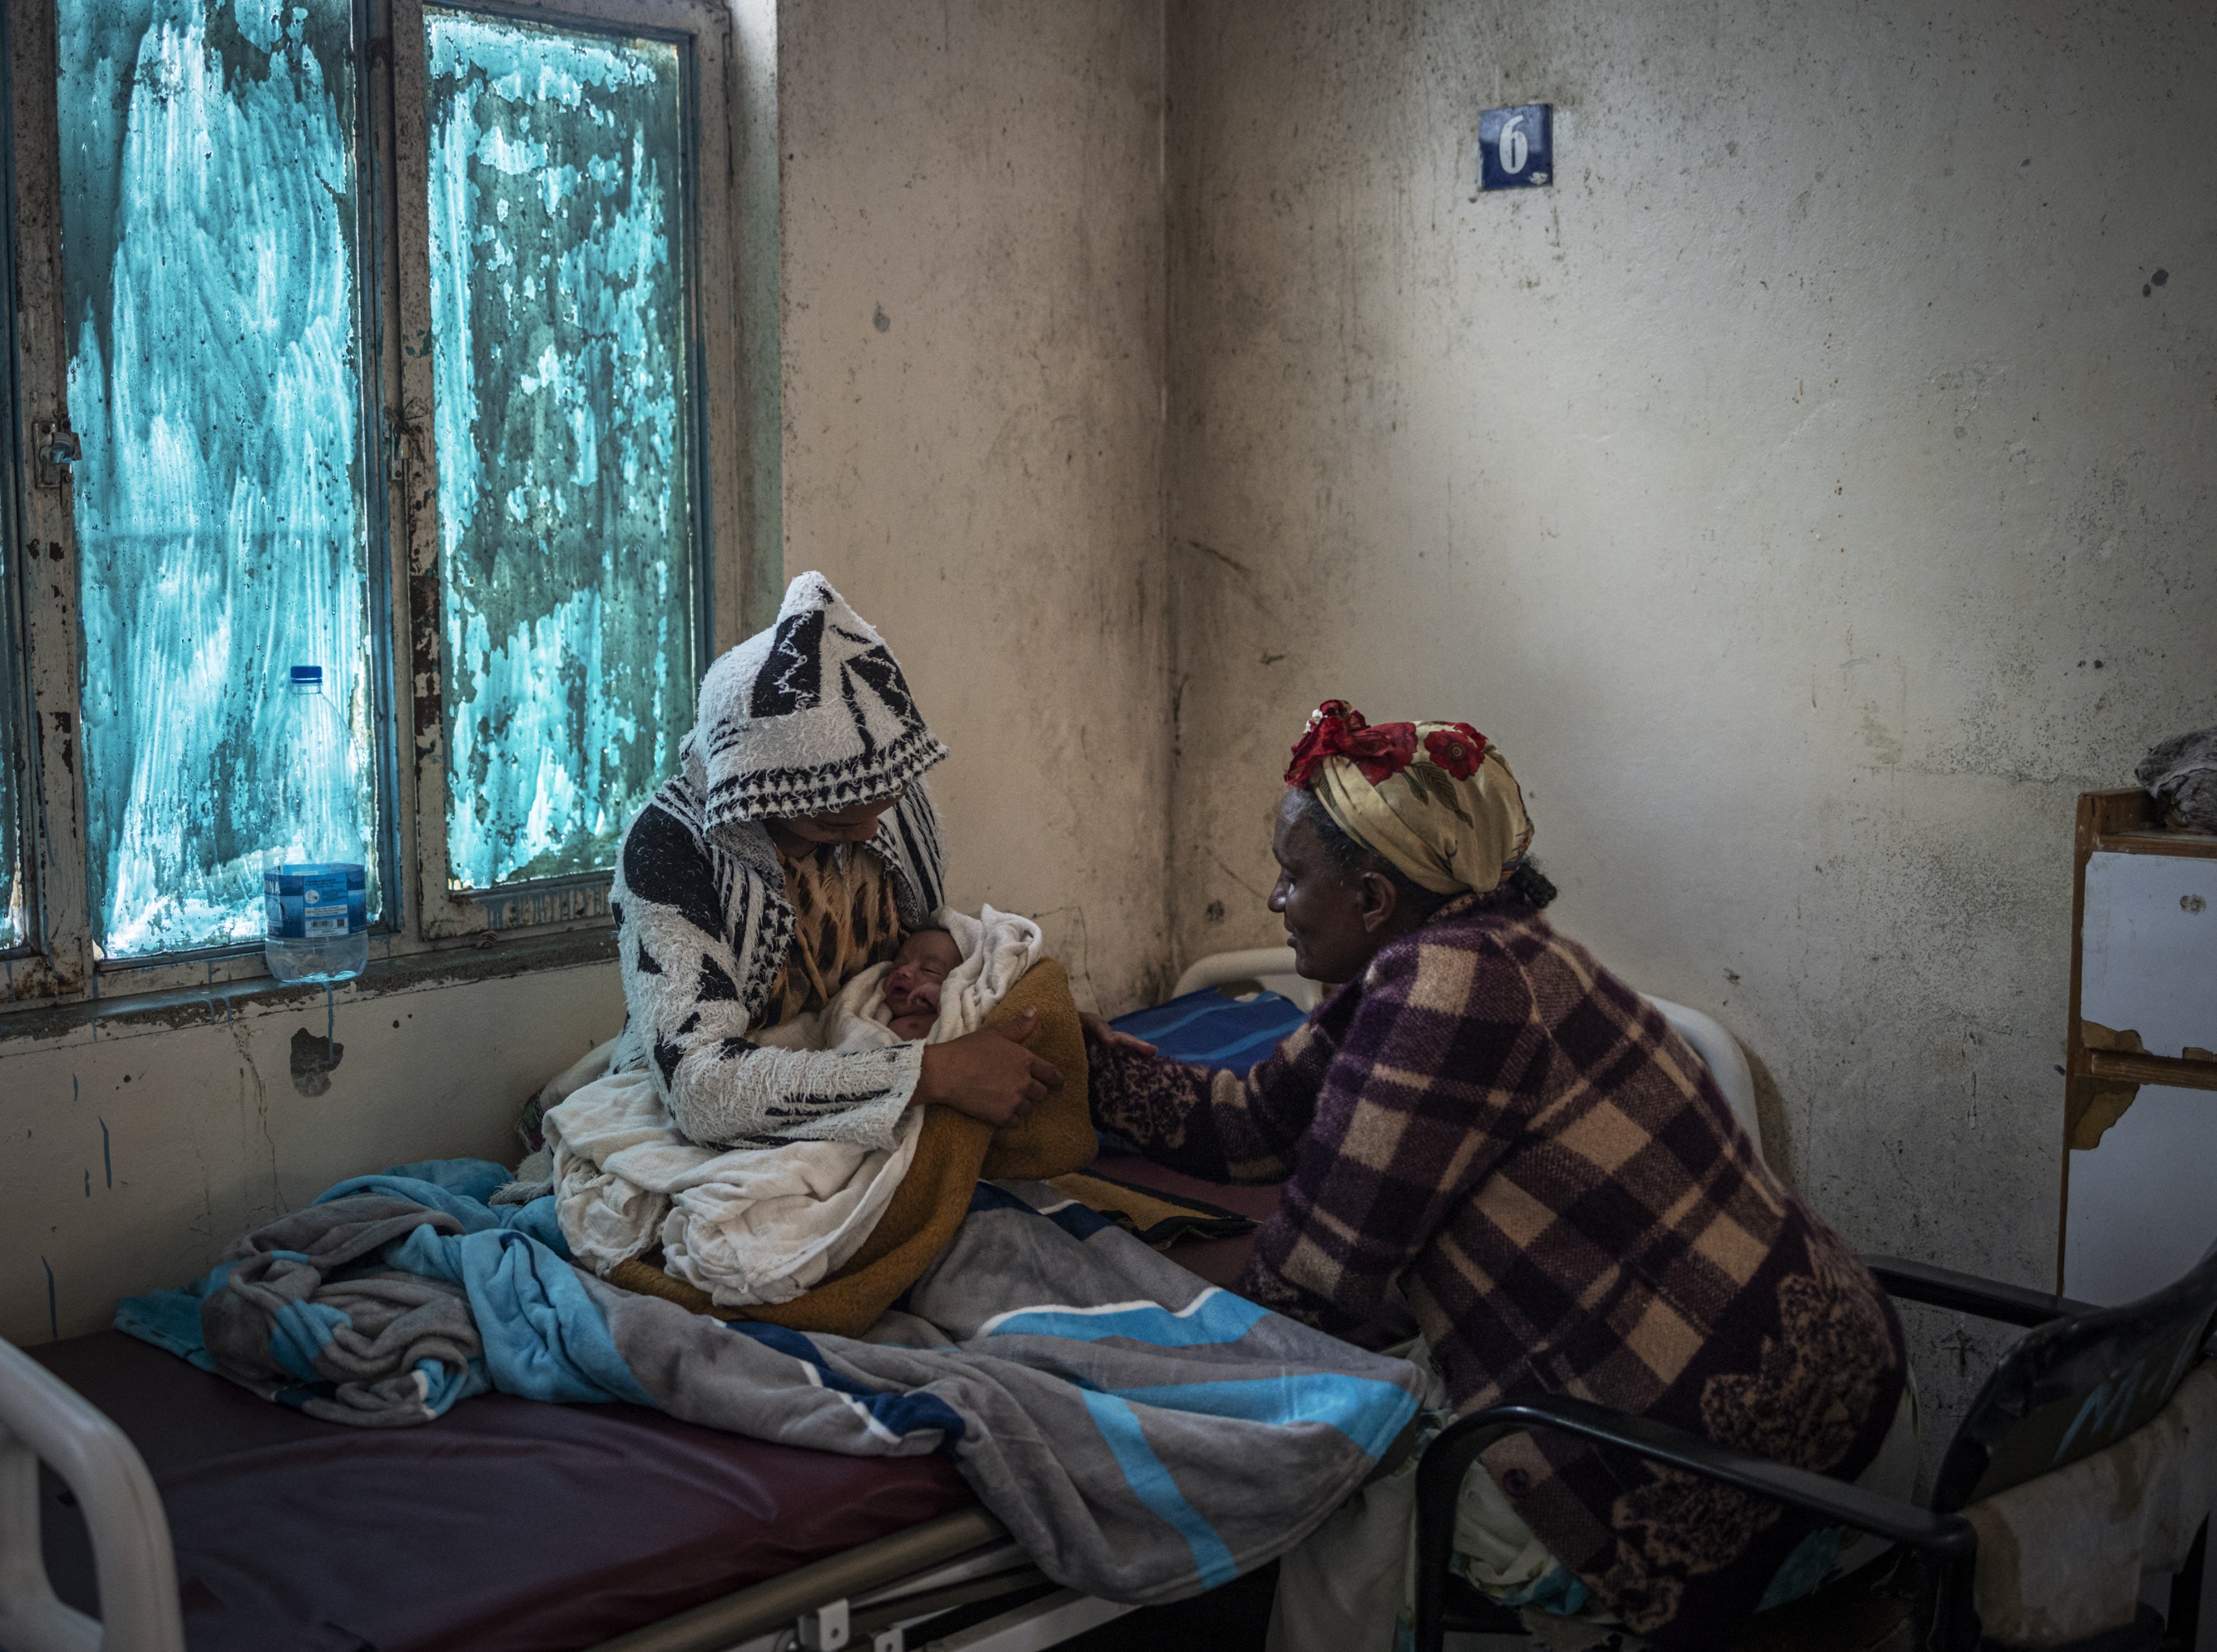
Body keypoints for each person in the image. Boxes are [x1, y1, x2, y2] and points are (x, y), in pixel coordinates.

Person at [1081, 702, 1911, 1651]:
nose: (1277, 901)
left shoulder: (1443, 994)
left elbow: (1309, 1296)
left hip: (1716, 1487)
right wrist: (1082, 1063)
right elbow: (1254, 1123)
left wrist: (1109, 1347)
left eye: (1293, 876)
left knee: (1339, 1456)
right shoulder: (1502, 948)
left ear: (1373, 899)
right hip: (1858, 1413)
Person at [608, 572, 1058, 1150]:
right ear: (758, 795)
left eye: (884, 807)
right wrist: (934, 1073)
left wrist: (1047, 1026)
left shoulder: (880, 784)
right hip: (735, 1112)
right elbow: (702, 1090)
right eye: (836, 826)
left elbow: (942, 957)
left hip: (875, 1054)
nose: (869, 834)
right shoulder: (670, 849)